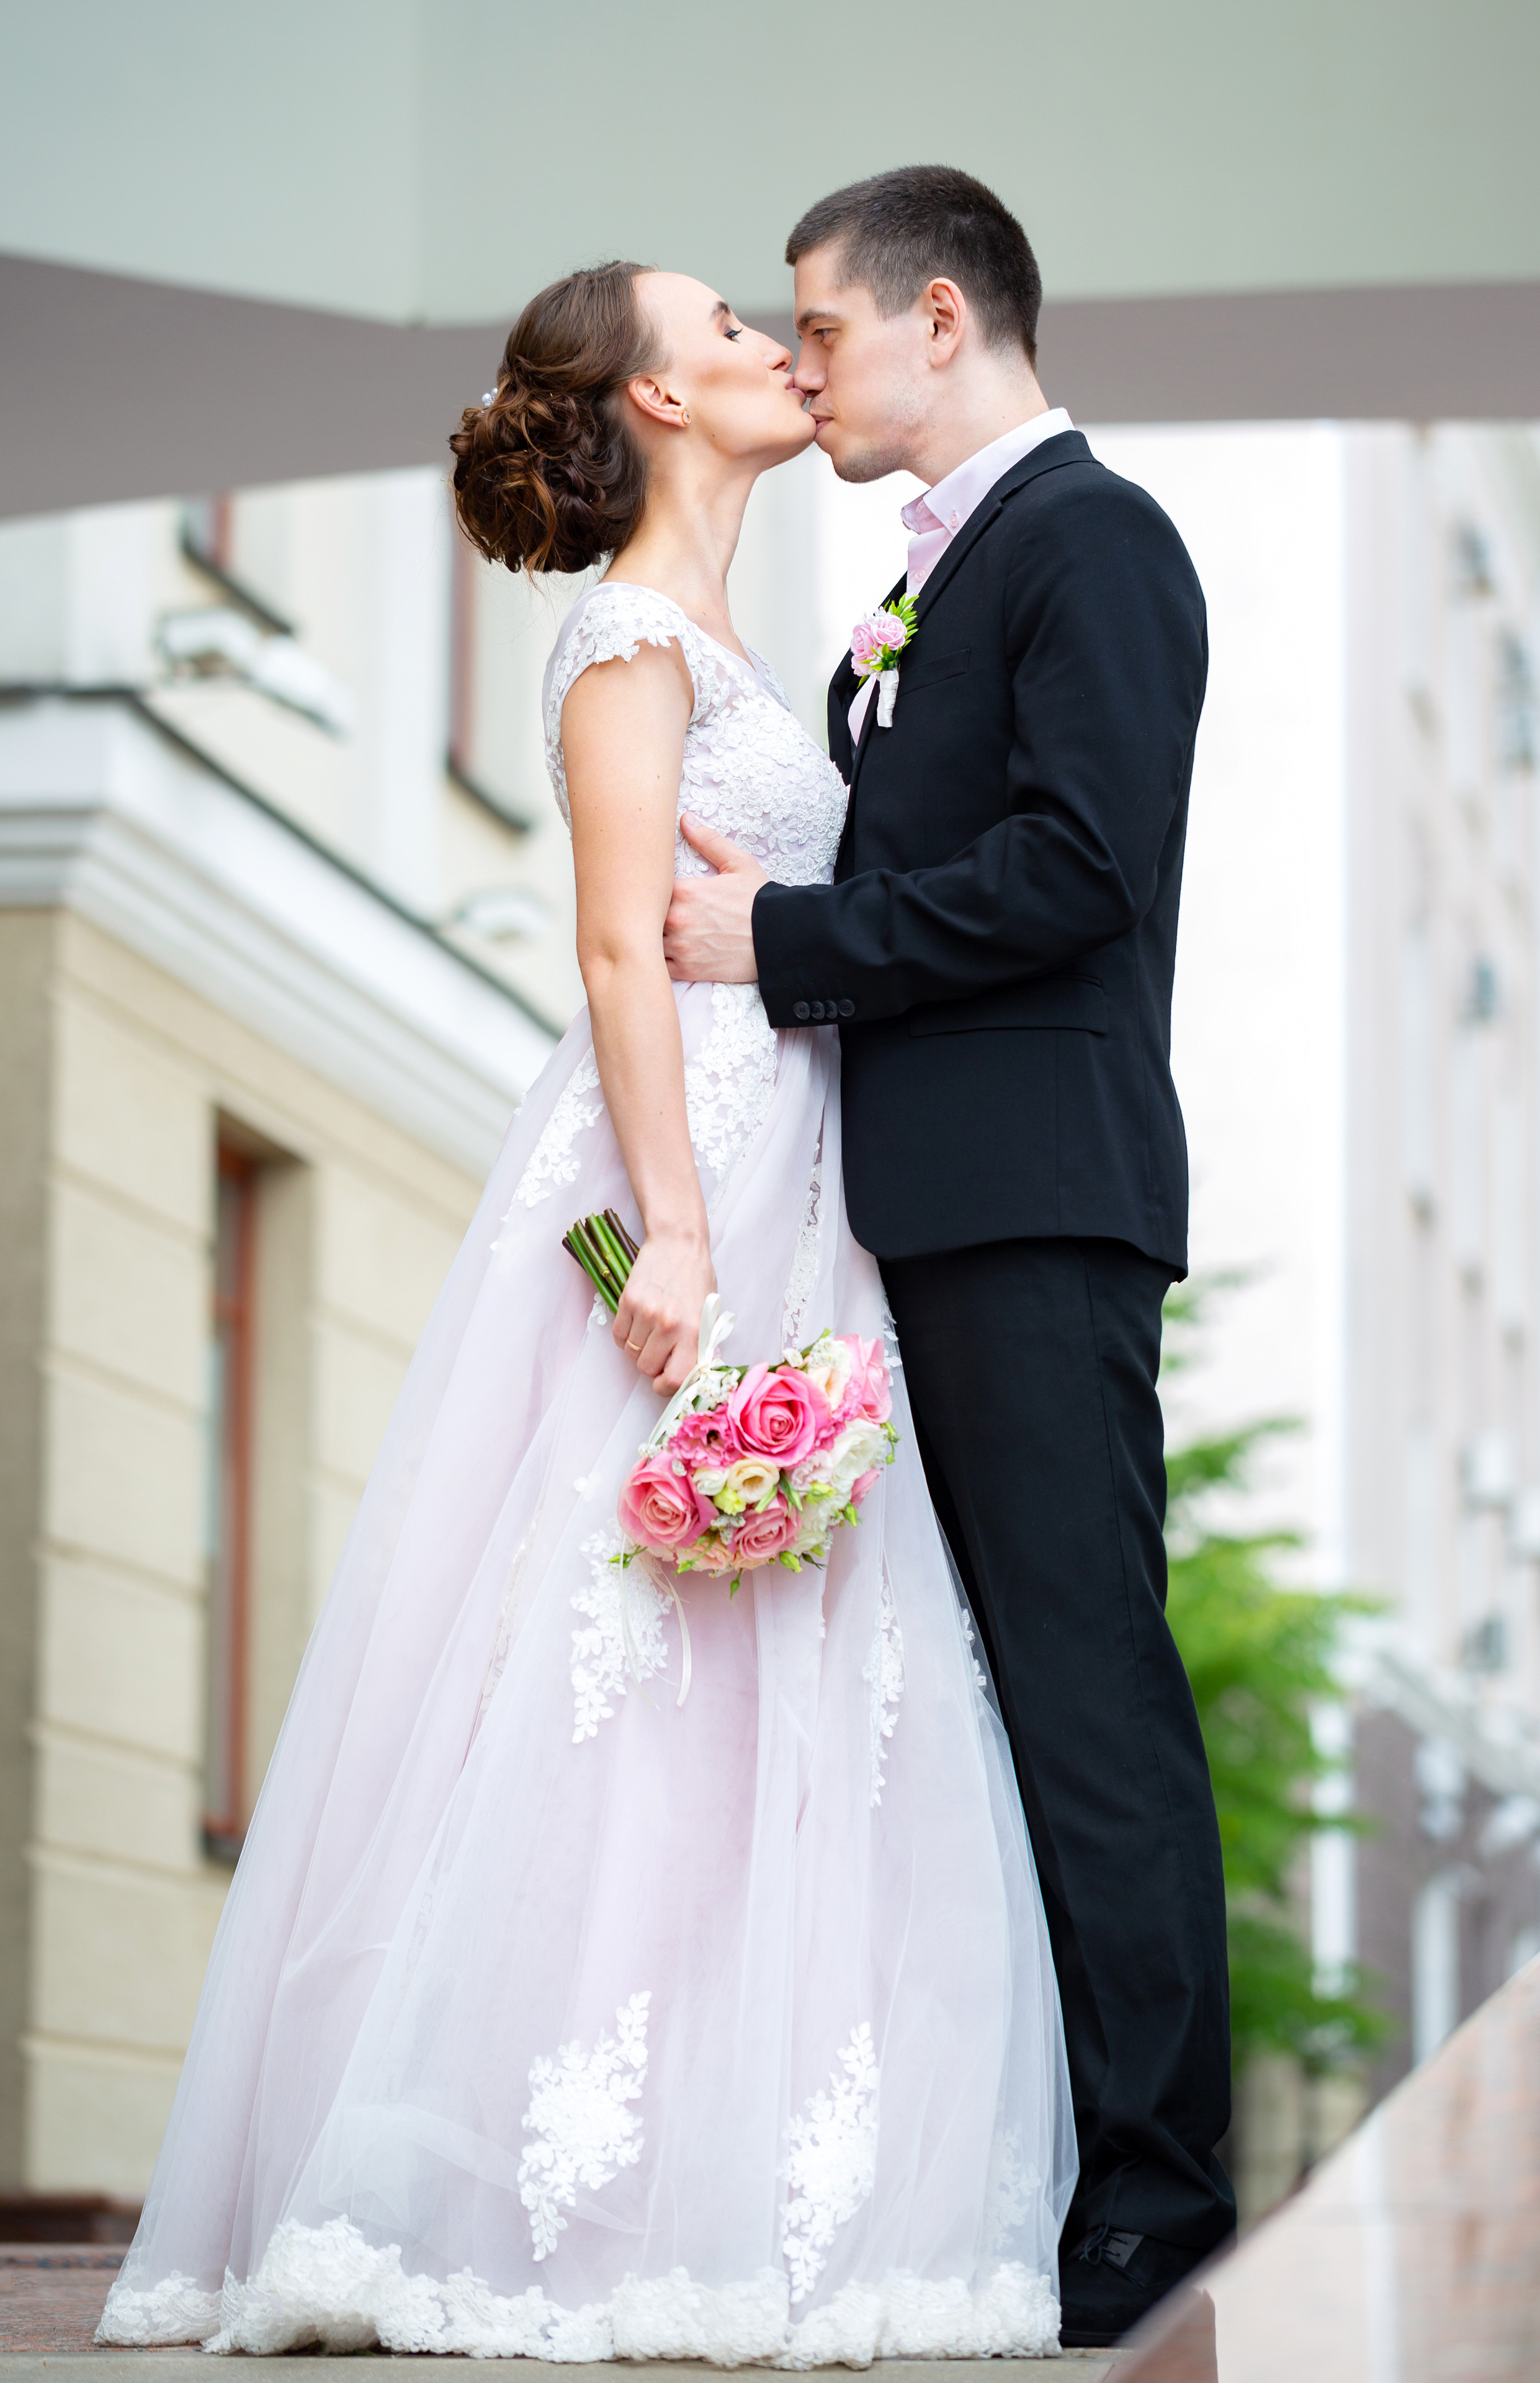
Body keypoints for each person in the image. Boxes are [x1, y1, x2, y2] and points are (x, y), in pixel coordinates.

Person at [95, 259, 1075, 2365]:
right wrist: (679, 1241)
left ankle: (739, 2163)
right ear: (653, 389)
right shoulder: (626, 638)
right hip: (686, 1170)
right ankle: (544, 2182)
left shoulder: (764, 646)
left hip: (814, 1174)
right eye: (730, 319)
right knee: (612, 1640)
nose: (770, 344)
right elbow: (622, 961)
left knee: (790, 1660)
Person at [663, 166, 1237, 2347]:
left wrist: (787, 940)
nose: (802, 366)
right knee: (984, 1710)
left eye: (818, 325)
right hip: (917, 1205)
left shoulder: (1094, 542)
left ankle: (1163, 2210)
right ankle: (1038, 2166)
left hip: (1034, 1199)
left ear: (933, 312)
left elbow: (1085, 868)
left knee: (1086, 1699)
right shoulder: (936, 571)